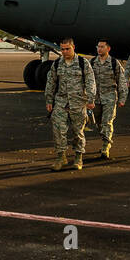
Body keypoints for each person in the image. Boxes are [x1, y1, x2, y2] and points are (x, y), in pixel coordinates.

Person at [44, 37, 96, 170]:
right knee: (58, 131)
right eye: (62, 49)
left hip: (78, 103)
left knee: (78, 132)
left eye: (67, 49)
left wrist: (91, 99)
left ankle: (78, 157)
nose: (65, 51)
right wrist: (49, 100)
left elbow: (90, 82)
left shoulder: (83, 63)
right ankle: (61, 157)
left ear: (73, 47)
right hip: (61, 102)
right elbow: (51, 83)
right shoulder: (57, 64)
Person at [90, 39, 128, 160]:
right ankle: (105, 139)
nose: (99, 49)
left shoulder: (114, 63)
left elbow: (121, 81)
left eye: (102, 47)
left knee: (107, 122)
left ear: (108, 48)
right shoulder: (92, 63)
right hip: (95, 99)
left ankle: (106, 147)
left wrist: (122, 98)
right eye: (98, 47)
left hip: (110, 98)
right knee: (98, 123)